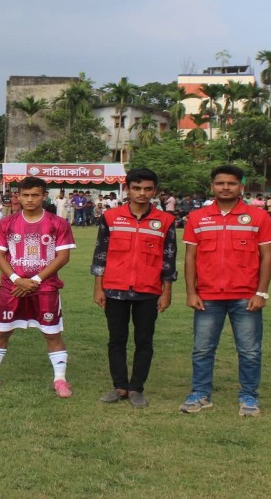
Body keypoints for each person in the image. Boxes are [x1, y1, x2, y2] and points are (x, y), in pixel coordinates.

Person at [179, 165, 271, 417]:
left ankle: (249, 397)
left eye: (231, 183)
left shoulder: (258, 217)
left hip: (246, 296)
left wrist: (261, 293)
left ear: (240, 187)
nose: (225, 187)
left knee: (249, 350)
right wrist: (191, 291)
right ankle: (200, 394)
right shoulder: (198, 218)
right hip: (208, 296)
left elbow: (267, 258)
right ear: (212, 186)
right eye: (220, 183)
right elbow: (190, 258)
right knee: (202, 348)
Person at [0, 176, 76, 397]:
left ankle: (60, 380)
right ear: (18, 196)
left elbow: (63, 256)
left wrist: (36, 280)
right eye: (25, 195)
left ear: (44, 196)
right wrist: (16, 279)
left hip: (45, 287)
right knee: (2, 330)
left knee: (52, 333)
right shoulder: (5, 223)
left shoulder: (58, 223)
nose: (30, 199)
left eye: (35, 195)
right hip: (11, 287)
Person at [91, 168, 176, 407]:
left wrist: (166, 292)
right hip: (114, 288)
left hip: (148, 291)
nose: (142, 193)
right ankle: (119, 386)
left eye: (148, 189)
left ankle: (137, 388)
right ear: (127, 189)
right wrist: (98, 288)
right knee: (116, 339)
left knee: (144, 340)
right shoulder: (110, 217)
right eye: (137, 188)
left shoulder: (166, 221)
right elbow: (100, 254)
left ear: (155, 191)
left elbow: (169, 259)